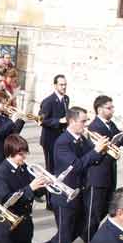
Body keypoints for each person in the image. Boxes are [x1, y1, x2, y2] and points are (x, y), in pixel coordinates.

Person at [36, 107, 108, 243]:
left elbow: (93, 160)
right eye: (83, 121)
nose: (86, 124)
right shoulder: (63, 142)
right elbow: (76, 165)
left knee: (79, 228)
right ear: (72, 121)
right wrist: (96, 151)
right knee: (65, 234)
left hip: (80, 192)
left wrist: (103, 150)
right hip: (64, 195)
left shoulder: (82, 139)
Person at [84, 95, 123, 243]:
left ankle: (87, 235)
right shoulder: (95, 126)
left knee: (104, 211)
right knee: (94, 214)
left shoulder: (110, 124)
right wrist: (122, 132)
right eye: (109, 108)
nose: (112, 110)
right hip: (97, 175)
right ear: (100, 109)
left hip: (109, 174)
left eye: (112, 107)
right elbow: (108, 146)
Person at [38, 75, 69, 209]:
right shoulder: (48, 101)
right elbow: (41, 120)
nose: (64, 87)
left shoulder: (66, 99)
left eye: (65, 84)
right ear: (55, 85)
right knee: (50, 170)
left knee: (60, 170)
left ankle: (53, 194)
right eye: (61, 85)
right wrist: (59, 121)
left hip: (61, 139)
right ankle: (49, 201)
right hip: (50, 140)